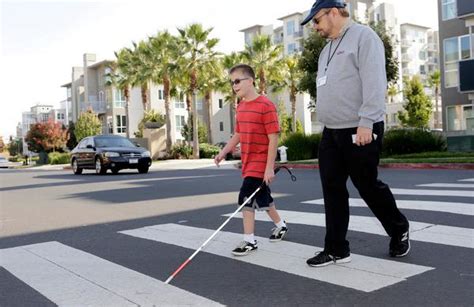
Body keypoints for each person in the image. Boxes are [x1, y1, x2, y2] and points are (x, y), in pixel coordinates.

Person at [300, 0, 410, 267]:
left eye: (316, 20)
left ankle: (399, 228)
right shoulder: (327, 50)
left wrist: (367, 122)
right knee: (332, 189)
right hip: (332, 132)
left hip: (360, 127)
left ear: (334, 13)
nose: (314, 27)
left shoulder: (364, 37)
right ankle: (336, 248)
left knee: (367, 185)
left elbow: (374, 81)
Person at [214, 64, 288, 256]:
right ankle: (281, 225)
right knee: (263, 198)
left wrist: (269, 168)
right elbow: (238, 134)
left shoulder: (266, 106)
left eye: (237, 81)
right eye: (232, 83)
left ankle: (249, 241)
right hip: (248, 162)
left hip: (261, 162)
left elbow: (273, 138)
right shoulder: (241, 107)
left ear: (251, 80)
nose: (234, 86)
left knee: (246, 197)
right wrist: (223, 152)